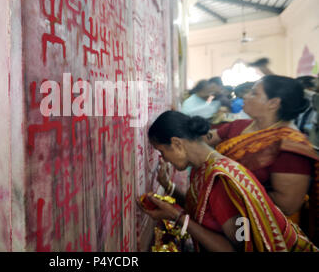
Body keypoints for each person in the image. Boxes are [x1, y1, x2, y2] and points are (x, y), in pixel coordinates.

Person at [137, 111, 317, 252]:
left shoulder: (221, 180)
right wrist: (168, 186)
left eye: (162, 152)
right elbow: (202, 209)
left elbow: (238, 247)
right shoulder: (203, 168)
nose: (164, 159)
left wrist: (177, 217)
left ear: (176, 143)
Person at [204, 75, 319, 240]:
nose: (245, 96)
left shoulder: (290, 147)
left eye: (253, 93)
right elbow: (205, 139)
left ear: (273, 103)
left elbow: (287, 205)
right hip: (225, 219)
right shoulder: (240, 125)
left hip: (263, 232)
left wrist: (232, 189)